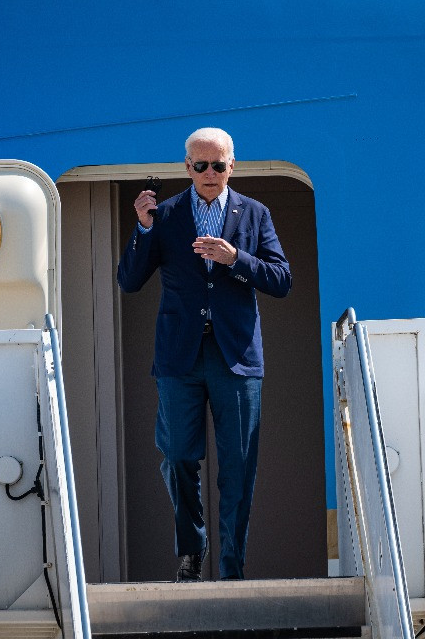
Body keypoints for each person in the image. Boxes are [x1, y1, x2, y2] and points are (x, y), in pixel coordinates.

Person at [117, 127, 291, 581]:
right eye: (200, 165)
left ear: (232, 166)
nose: (209, 173)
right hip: (180, 356)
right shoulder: (166, 214)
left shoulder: (255, 213)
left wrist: (236, 259)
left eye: (217, 165)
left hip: (236, 356)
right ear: (187, 167)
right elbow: (129, 280)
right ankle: (192, 553)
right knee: (177, 455)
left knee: (238, 466)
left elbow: (281, 280)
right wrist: (143, 228)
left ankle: (232, 567)